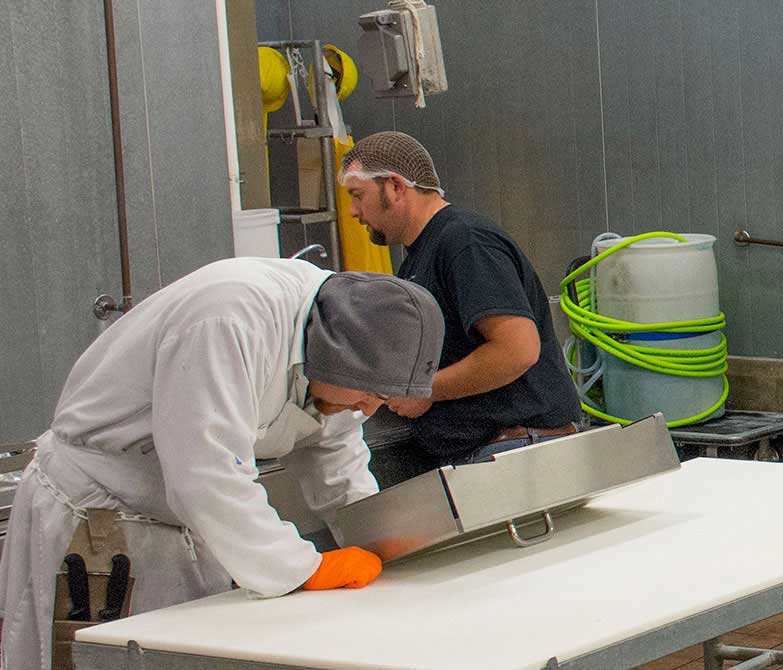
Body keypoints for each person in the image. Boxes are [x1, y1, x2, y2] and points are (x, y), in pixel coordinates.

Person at [0, 258, 443, 670]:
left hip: (179, 523)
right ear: (333, 354)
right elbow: (205, 474)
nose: (367, 410)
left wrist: (375, 535)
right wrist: (304, 568)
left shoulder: (333, 353)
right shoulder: (229, 319)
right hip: (98, 520)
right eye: (367, 395)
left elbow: (335, 454)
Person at [340, 131, 581, 473]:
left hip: (516, 453)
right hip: (487, 454)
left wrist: (427, 391)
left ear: (395, 186)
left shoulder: (464, 242)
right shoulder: (421, 257)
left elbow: (518, 349)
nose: (352, 211)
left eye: (357, 195)